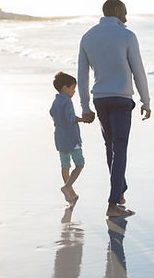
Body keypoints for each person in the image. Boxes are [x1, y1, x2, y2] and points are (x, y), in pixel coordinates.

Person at [78, 0, 151, 217]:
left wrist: (85, 106)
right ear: (116, 10)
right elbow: (138, 71)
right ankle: (113, 204)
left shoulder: (88, 37)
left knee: (111, 147)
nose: (127, 18)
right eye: (125, 13)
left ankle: (119, 193)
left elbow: (82, 75)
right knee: (119, 148)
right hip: (120, 100)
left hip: (100, 100)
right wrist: (146, 101)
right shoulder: (127, 36)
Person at [50, 71, 89, 206]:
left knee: (65, 165)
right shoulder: (67, 101)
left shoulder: (55, 101)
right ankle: (67, 187)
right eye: (73, 88)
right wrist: (82, 119)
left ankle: (70, 194)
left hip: (59, 139)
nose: (74, 92)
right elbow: (71, 118)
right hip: (71, 139)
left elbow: (52, 114)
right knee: (80, 164)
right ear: (65, 88)